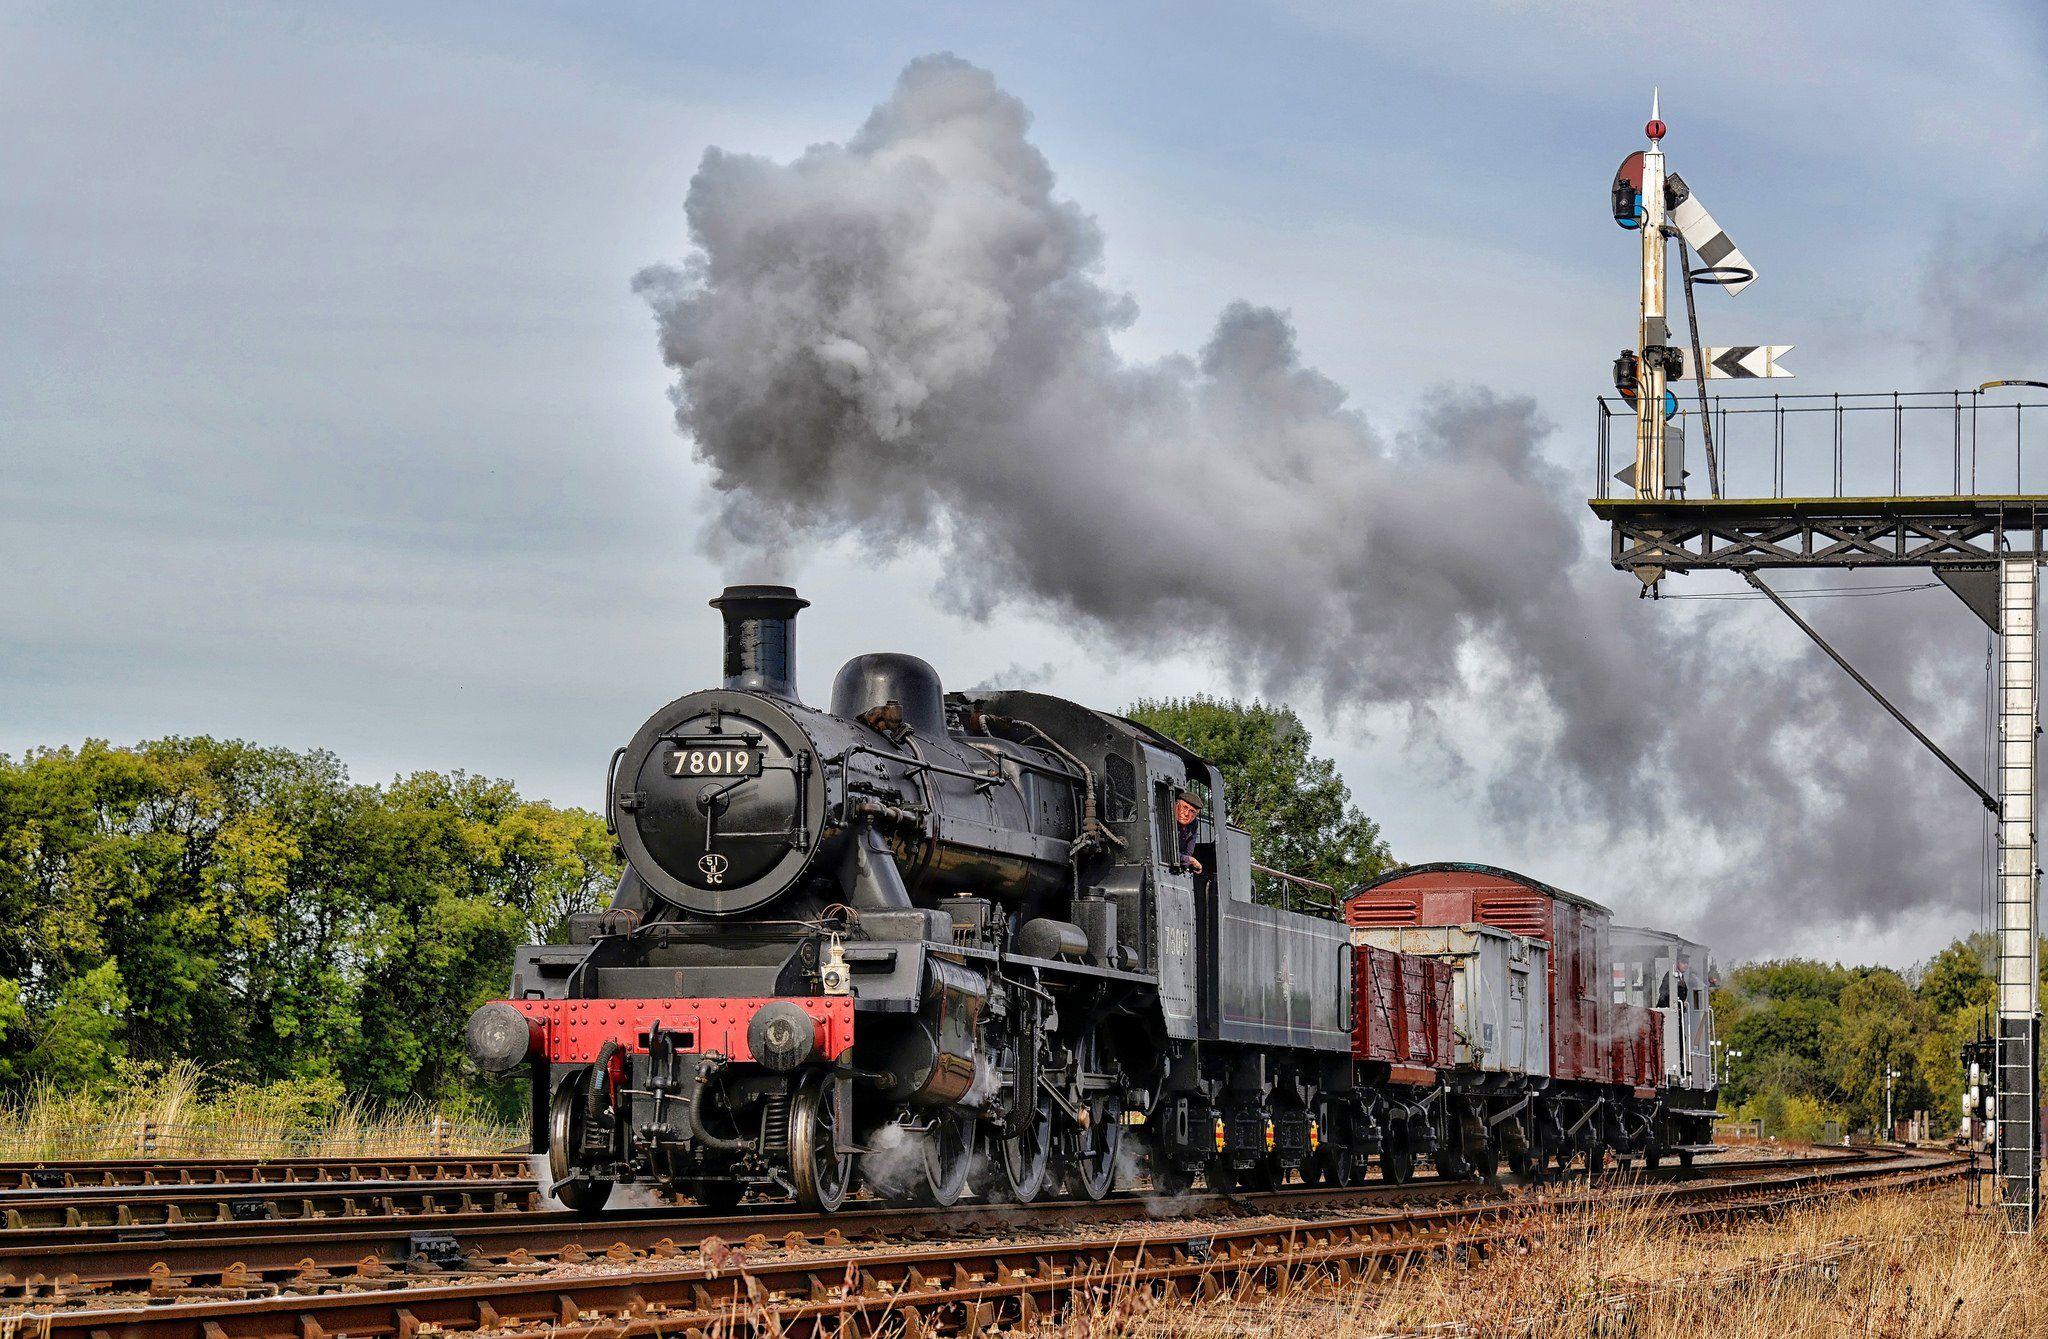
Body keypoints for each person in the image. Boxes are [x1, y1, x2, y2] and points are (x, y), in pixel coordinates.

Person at [1174, 794, 1203, 875]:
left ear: (1196, 814)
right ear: (1176, 804)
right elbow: (1164, 852)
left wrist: (1187, 860)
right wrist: (1189, 860)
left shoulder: (1194, 823)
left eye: (1192, 811)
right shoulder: (1165, 817)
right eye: (1184, 807)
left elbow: (1188, 852)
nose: (1186, 814)